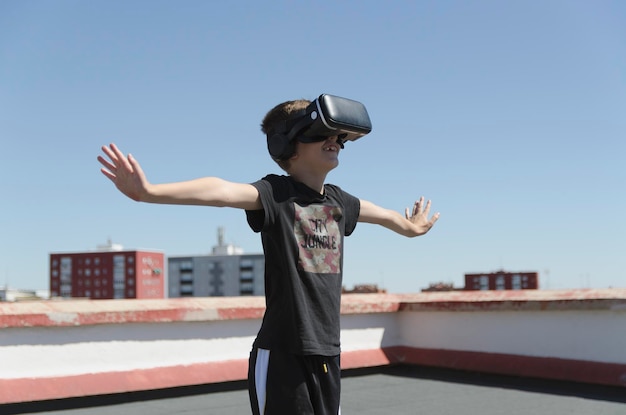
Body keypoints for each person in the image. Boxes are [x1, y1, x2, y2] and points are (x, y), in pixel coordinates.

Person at [98, 95, 439, 415]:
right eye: (320, 134)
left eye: (338, 136)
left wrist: (410, 228)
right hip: (283, 354)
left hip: (328, 351)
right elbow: (220, 191)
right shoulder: (277, 194)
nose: (334, 141)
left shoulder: (339, 202)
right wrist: (149, 192)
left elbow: (382, 214)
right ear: (287, 147)